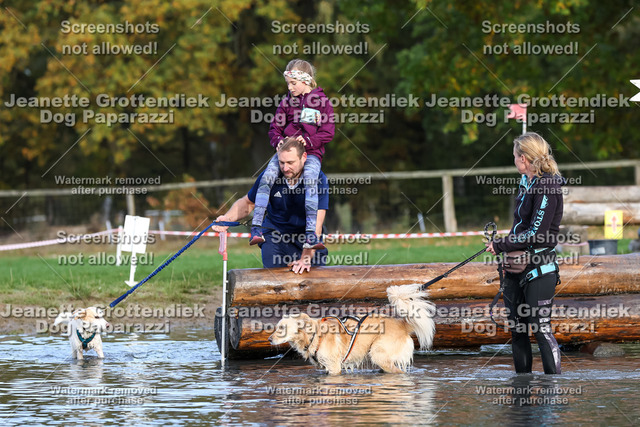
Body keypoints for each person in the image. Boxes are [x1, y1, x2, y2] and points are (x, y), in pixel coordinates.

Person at [486, 132, 564, 374]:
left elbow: (537, 233)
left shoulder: (547, 185)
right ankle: (522, 387)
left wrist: (501, 245)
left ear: (523, 158)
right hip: (516, 266)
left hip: (540, 266)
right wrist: (503, 245)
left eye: (514, 156)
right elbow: (520, 226)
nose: (513, 160)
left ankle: (553, 386)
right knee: (517, 330)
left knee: (540, 328)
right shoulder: (525, 182)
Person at [250, 59, 335, 250]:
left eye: (293, 83)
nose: (289, 87)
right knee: (267, 178)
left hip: (310, 153)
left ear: (306, 80)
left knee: (311, 180)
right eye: (287, 83)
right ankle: (256, 228)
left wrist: (309, 141)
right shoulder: (286, 102)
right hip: (286, 152)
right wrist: (278, 141)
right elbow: (274, 128)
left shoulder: (322, 103)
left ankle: (311, 234)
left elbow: (328, 132)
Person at [215, 138, 329, 274]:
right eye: (281, 162)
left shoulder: (318, 180)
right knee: (274, 279)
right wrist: (228, 218)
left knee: (311, 281)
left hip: (305, 236)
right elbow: (248, 202)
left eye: (290, 163)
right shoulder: (269, 176)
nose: (285, 168)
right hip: (275, 234)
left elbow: (317, 223)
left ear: (304, 157)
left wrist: (305, 258)